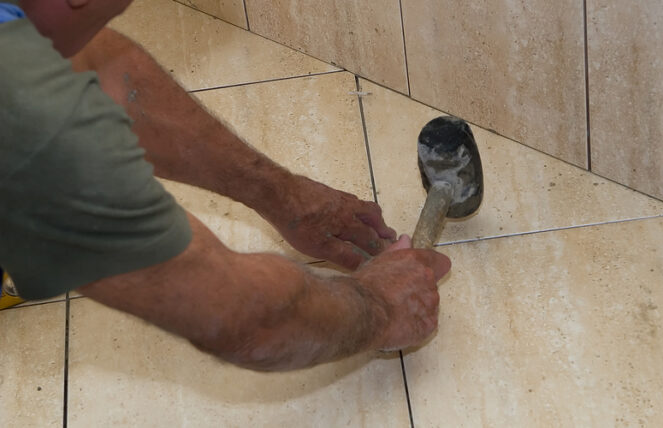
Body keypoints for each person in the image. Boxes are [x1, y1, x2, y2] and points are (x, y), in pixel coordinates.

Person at [0, 0, 450, 371]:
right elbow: (244, 318)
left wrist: (279, 193)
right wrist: (379, 307)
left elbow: (98, 66)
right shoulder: (27, 115)